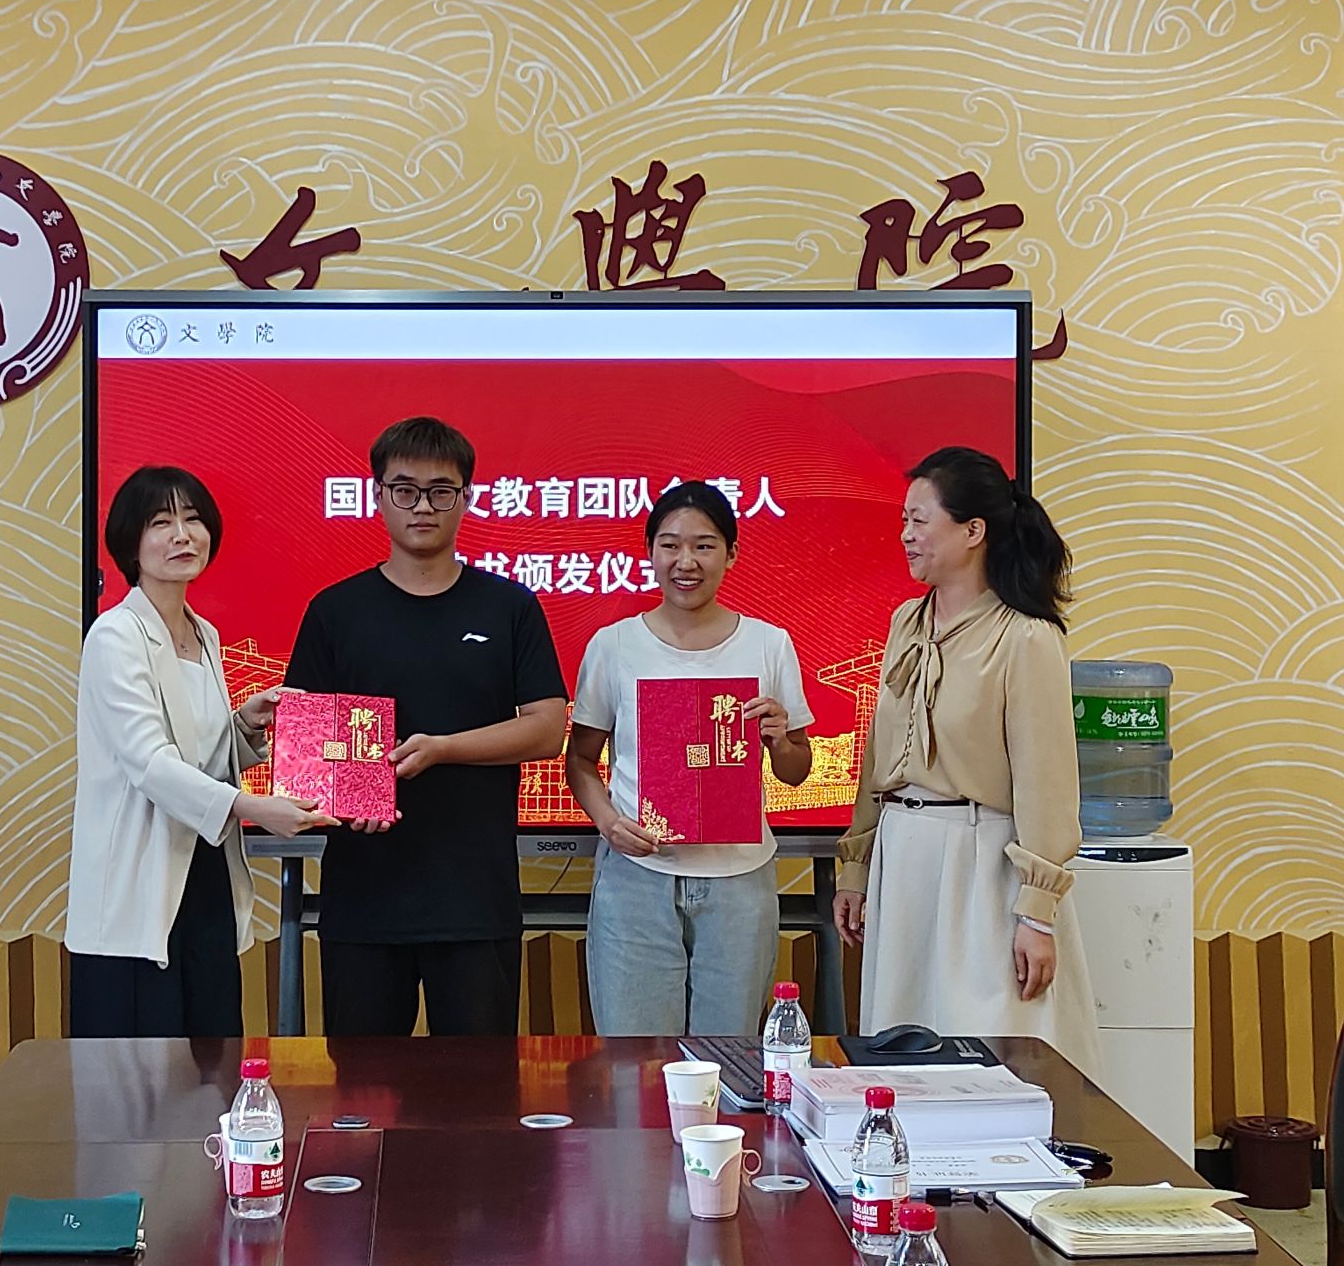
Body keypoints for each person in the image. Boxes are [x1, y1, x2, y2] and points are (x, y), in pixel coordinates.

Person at [284, 417, 570, 1035]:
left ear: (466, 498)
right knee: (360, 1089)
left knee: (478, 1090)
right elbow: (304, 746)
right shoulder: (335, 611)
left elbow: (548, 729)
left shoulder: (509, 607)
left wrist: (443, 749)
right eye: (405, 490)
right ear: (378, 495)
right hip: (363, 900)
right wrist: (341, 799)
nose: (422, 506)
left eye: (441, 491)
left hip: (475, 901)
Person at [833, 447, 1102, 1076]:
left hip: (981, 863)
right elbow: (879, 755)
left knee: (989, 1052)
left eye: (920, 520)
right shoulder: (906, 622)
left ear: (973, 530)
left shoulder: (1026, 636)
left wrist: (1038, 912)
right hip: (903, 855)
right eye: (904, 520)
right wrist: (856, 865)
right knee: (901, 1050)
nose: (906, 535)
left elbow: (1047, 782)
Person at [67, 466, 335, 1038]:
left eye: (193, 520)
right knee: (138, 1073)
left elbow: (196, 754)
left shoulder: (204, 633)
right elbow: (150, 763)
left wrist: (243, 724)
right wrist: (253, 808)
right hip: (139, 883)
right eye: (161, 523)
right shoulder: (115, 635)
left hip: (205, 871)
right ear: (130, 543)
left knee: (212, 1059)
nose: (182, 535)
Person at [565, 481, 817, 1036]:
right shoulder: (614, 645)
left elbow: (796, 769)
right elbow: (579, 759)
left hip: (740, 882)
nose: (686, 561)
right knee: (634, 1061)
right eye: (670, 545)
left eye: (704, 546)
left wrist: (780, 740)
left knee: (730, 1056)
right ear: (649, 551)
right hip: (637, 876)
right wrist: (608, 823)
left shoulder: (768, 644)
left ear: (732, 553)